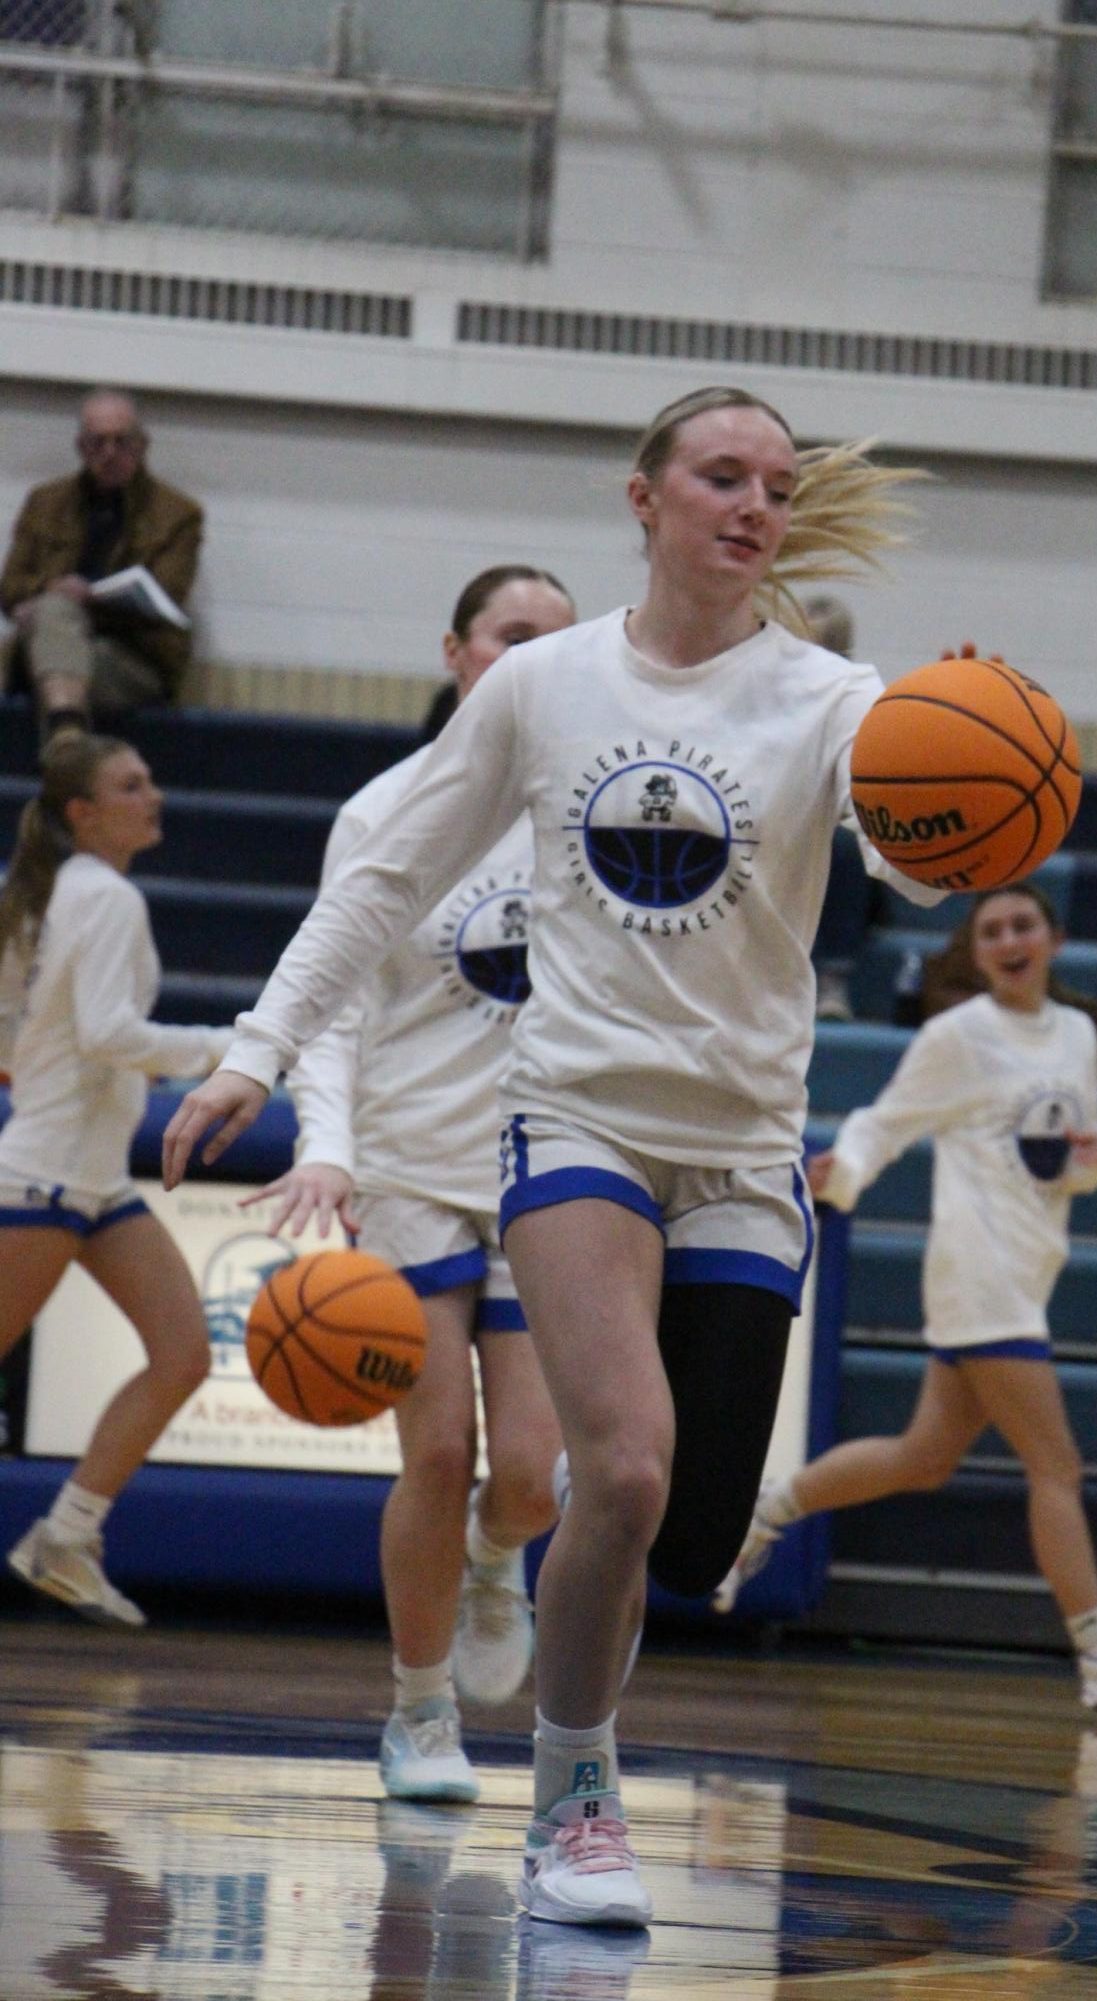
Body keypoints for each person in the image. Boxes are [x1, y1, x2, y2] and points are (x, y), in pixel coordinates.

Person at [160, 384, 940, 1929]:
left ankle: (565, 1578)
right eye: (721, 475)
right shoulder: (541, 688)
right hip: (574, 1119)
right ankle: (574, 1796)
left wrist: (962, 783)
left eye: (777, 487)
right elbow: (381, 881)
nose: (754, 505)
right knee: (629, 1460)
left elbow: (910, 867)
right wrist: (256, 1047)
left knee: (684, 1525)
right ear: (640, 496)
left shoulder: (836, 696)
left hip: (741, 1144)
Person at [713, 880, 1097, 1712]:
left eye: (1023, 924)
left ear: (1051, 940)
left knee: (923, 1457)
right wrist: (844, 1176)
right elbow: (888, 1118)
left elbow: (1071, 1165)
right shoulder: (958, 1036)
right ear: (976, 952)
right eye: (992, 929)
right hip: (978, 1275)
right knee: (1056, 1464)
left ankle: (767, 1510)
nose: (1010, 938)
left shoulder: (1079, 1034)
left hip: (1028, 1268)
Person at [251, 564, 575, 1805]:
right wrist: (323, 1143)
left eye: (557, 640)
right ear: (456, 652)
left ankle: (498, 1559)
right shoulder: (387, 808)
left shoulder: (586, 805)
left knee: (530, 1475)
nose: (533, 658)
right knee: (434, 1454)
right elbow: (328, 1002)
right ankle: (419, 1711)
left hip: (548, 1166)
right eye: (510, 636)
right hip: (409, 1168)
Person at [0, 733, 230, 1625]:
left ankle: (66, 1535)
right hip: (46, 1182)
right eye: (131, 786)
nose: (154, 795)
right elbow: (106, 1030)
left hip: (93, 1184)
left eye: (151, 779)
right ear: (82, 814)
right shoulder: (103, 896)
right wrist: (224, 1048)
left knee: (184, 1354)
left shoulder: (52, 894)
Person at [0, 389, 203, 740]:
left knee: (57, 615)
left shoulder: (178, 514)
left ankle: (65, 739)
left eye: (121, 442)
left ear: (142, 445)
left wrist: (83, 601)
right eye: (97, 443)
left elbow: (166, 597)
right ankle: (68, 737)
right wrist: (53, 592)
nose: (109, 454)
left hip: (132, 657)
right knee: (56, 609)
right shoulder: (45, 502)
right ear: (81, 447)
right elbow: (9, 588)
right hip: (53, 643)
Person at [804, 593, 886, 1024]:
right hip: (784, 842)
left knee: (844, 845)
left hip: (840, 849)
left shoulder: (860, 703)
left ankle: (833, 975)